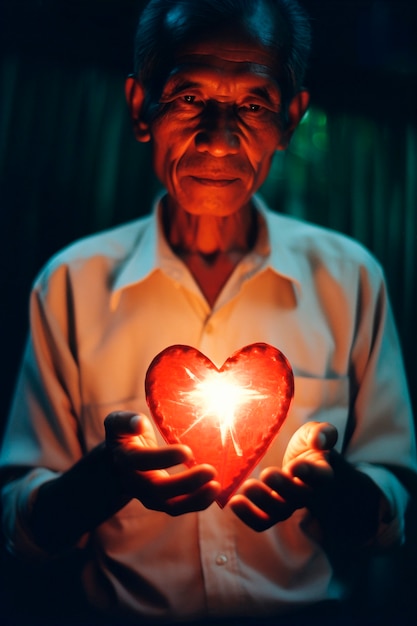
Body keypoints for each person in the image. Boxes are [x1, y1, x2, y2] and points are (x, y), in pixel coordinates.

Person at [1, 0, 416, 624]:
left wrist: (340, 487)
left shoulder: (351, 280)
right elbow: (19, 529)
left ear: (291, 118)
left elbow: (395, 510)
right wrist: (104, 481)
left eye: (252, 105)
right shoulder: (70, 285)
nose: (220, 139)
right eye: (189, 97)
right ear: (142, 106)